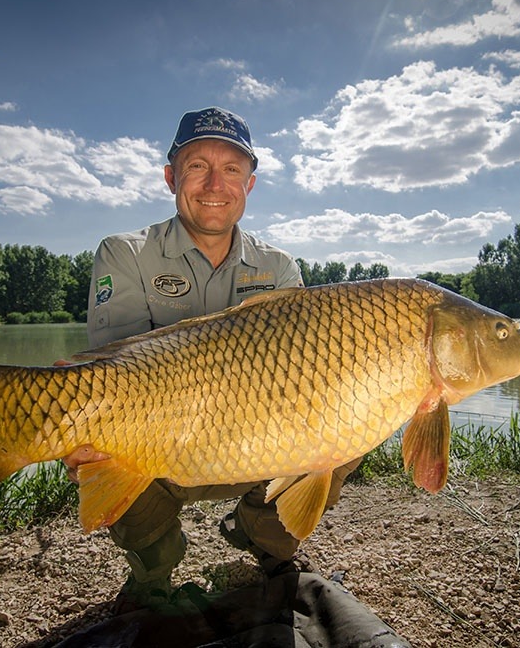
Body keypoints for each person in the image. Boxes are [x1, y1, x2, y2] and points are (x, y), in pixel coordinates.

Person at [70, 107, 361, 610]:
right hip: (160, 440)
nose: (214, 184)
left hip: (258, 441)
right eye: (197, 166)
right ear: (170, 177)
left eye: (231, 169)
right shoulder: (124, 253)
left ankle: (263, 540)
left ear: (250, 183)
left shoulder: (279, 267)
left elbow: (308, 379)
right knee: (96, 435)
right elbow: (112, 374)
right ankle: (154, 569)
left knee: (345, 433)